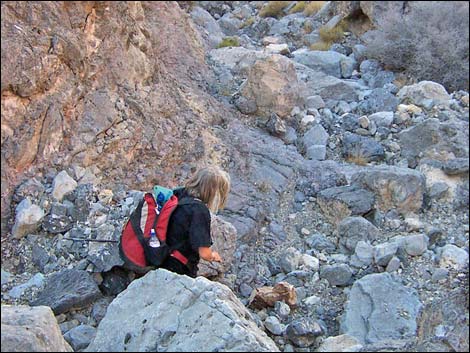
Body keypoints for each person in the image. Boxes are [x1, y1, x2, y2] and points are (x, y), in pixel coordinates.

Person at [160, 165, 231, 278]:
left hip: (162, 257)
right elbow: (204, 253)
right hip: (177, 268)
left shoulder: (179, 194)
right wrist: (213, 255)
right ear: (214, 193)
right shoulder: (199, 211)